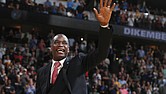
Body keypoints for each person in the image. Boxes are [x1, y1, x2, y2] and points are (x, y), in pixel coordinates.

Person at [36, 0, 115, 94]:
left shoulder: (78, 62)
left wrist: (104, 26)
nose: (61, 45)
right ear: (51, 47)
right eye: (57, 42)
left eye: (64, 43)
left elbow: (101, 54)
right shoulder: (42, 72)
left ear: (68, 49)